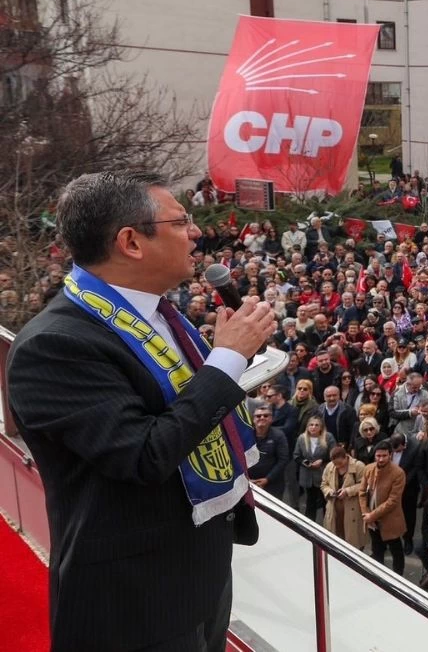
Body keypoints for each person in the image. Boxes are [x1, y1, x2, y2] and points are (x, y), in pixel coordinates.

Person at [8, 172, 275, 650]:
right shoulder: (55, 346)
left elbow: (181, 403)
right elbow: (144, 454)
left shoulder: (155, 313)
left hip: (200, 571)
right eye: (181, 221)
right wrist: (227, 360)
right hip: (133, 601)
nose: (197, 232)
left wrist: (231, 359)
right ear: (131, 242)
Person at [359, 441, 407, 574]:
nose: (381, 459)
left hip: (390, 519)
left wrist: (372, 515)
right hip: (372, 520)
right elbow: (362, 493)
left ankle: (399, 579)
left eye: (384, 456)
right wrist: (366, 513)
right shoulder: (369, 469)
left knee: (396, 550)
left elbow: (393, 501)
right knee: (377, 550)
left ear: (390, 455)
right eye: (378, 456)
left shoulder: (398, 473)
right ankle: (379, 577)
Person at [321, 445, 367, 550]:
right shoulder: (329, 467)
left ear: (346, 457)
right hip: (334, 510)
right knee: (335, 538)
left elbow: (364, 485)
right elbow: (324, 484)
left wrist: (348, 491)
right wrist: (330, 492)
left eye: (340, 463)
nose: (337, 466)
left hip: (353, 510)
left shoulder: (359, 466)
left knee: (354, 540)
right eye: (335, 464)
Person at [296, 416, 337, 520]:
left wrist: (322, 461)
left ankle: (328, 525)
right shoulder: (301, 438)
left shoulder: (328, 437)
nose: (313, 427)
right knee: (310, 502)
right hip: (308, 475)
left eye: (316, 425)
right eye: (311, 425)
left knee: (325, 502)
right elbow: (296, 456)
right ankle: (309, 525)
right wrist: (305, 462)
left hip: (323, 474)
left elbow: (334, 454)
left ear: (321, 427)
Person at [247, 405, 290, 498]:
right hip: (249, 482)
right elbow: (238, 458)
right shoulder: (245, 436)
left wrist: (267, 479)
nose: (262, 418)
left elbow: (283, 460)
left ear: (271, 419)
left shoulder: (279, 435)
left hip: (273, 484)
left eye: (266, 416)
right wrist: (246, 478)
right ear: (253, 419)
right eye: (258, 416)